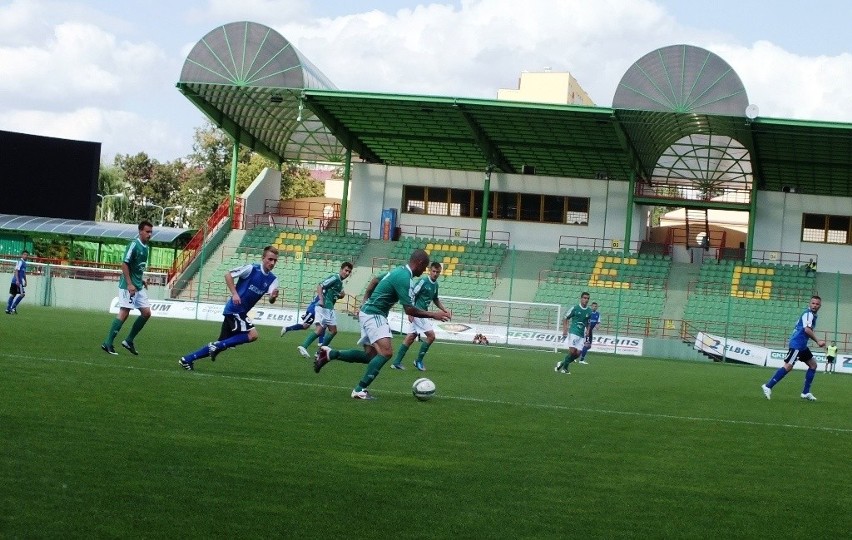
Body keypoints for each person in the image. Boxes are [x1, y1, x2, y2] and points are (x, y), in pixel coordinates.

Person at [312, 249, 451, 399]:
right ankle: (359, 390)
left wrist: (365, 299)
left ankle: (329, 354)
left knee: (370, 356)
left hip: (370, 312)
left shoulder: (398, 271)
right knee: (386, 353)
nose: (424, 270)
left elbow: (375, 280)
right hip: (374, 314)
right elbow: (409, 309)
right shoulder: (405, 278)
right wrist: (434, 315)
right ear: (419, 263)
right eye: (425, 267)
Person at [179, 246, 279, 371]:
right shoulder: (251, 268)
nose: (272, 263)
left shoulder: (273, 280)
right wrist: (235, 294)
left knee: (222, 343)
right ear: (263, 258)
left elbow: (270, 299)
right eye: (270, 259)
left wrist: (273, 297)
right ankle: (217, 346)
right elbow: (228, 275)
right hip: (235, 309)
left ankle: (187, 359)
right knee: (252, 335)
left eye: (275, 261)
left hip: (239, 311)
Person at [101, 221, 153, 355]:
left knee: (146, 313)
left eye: (151, 232)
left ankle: (129, 341)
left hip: (138, 286)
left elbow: (135, 267)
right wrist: (129, 283)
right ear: (140, 231)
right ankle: (108, 343)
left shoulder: (146, 247)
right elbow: (124, 264)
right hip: (128, 286)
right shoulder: (134, 245)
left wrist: (141, 280)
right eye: (147, 232)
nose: (149, 234)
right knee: (124, 312)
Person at [761, 295, 826, 401]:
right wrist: (818, 340)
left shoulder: (812, 315)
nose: (815, 305)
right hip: (797, 344)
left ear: (820, 306)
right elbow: (807, 330)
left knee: (813, 365)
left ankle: (805, 392)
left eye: (817, 304)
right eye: (813, 303)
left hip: (802, 345)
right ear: (809, 304)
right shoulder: (808, 314)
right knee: (788, 366)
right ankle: (768, 386)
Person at [390, 261, 451, 371]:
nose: (435, 274)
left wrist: (445, 310)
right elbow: (412, 294)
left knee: (410, 337)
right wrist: (410, 311)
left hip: (423, 313)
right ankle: (418, 361)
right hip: (418, 313)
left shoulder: (435, 285)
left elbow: (435, 299)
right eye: (434, 271)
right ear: (429, 270)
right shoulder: (423, 281)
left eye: (438, 272)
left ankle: (396, 362)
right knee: (431, 336)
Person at [296, 262, 352, 358]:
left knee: (319, 330)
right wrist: (321, 300)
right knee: (333, 331)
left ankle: (304, 346)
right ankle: (320, 352)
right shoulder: (335, 278)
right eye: (346, 270)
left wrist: (341, 295)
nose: (347, 273)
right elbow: (320, 285)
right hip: (326, 307)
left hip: (325, 307)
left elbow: (339, 294)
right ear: (341, 269)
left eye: (349, 272)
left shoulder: (339, 282)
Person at [555, 292, 592, 374]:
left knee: (578, 354)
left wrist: (588, 331)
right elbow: (565, 318)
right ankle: (565, 369)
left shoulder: (589, 311)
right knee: (572, 351)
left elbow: (588, 322)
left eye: (587, 298)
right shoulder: (575, 308)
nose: (586, 300)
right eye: (584, 298)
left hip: (581, 334)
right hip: (573, 331)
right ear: (581, 298)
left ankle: (561, 363)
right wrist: (565, 330)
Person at [6, 249, 28, 314]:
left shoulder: (24, 263)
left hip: (18, 281)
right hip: (16, 281)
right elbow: (16, 270)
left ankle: (8, 309)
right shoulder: (20, 261)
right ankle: (12, 307)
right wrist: (18, 280)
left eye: (27, 255)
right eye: (24, 254)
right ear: (22, 255)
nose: (26, 256)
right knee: (22, 294)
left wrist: (26, 281)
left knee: (13, 294)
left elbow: (23, 273)